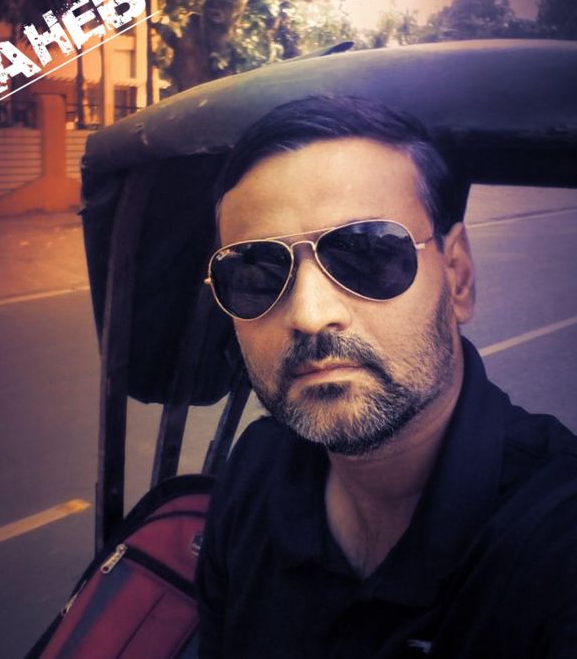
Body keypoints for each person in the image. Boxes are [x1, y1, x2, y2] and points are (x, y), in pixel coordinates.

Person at [195, 94, 577, 658]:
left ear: (458, 277)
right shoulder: (257, 469)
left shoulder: (555, 542)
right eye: (256, 274)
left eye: (368, 253)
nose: (310, 314)